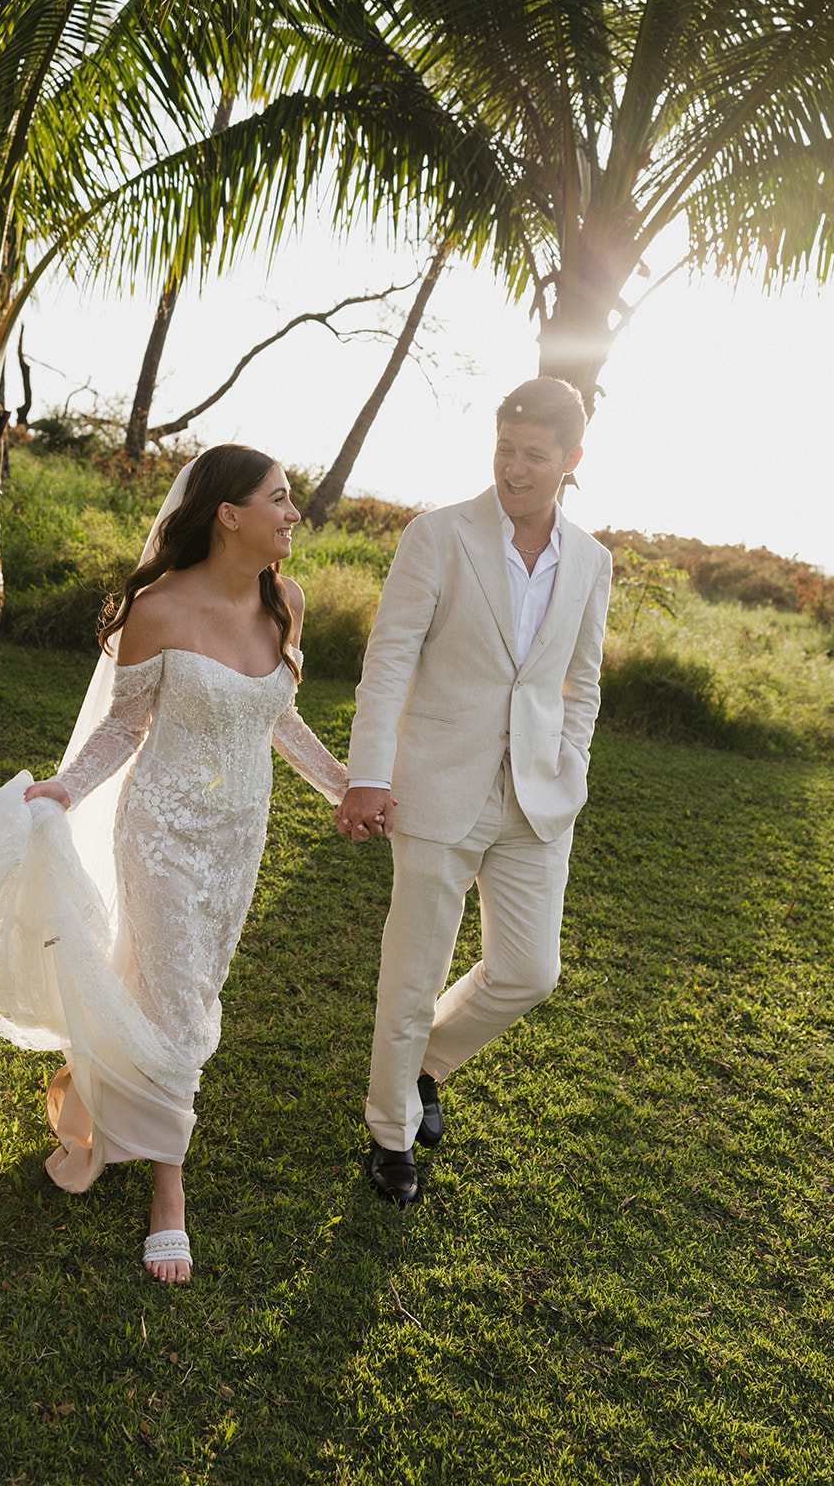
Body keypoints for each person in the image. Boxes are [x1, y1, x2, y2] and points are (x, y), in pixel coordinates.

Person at [0, 446, 348, 1281]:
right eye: (278, 499)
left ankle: (99, 1091)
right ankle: (169, 1190)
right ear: (228, 515)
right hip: (162, 829)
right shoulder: (156, 608)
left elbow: (277, 717)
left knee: (188, 983)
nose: (293, 515)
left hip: (240, 833)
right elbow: (124, 726)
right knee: (176, 1002)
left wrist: (347, 789)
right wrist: (65, 788)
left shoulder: (286, 602)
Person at [334, 377, 612, 1203]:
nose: (513, 468)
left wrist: (570, 762)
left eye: (533, 456)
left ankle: (425, 1065)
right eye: (504, 449)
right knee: (412, 974)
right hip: (434, 784)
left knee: (529, 972)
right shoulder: (437, 535)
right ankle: (391, 1133)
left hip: (537, 798)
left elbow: (581, 681)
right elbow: (388, 660)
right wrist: (368, 774)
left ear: (571, 459)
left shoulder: (591, 560)